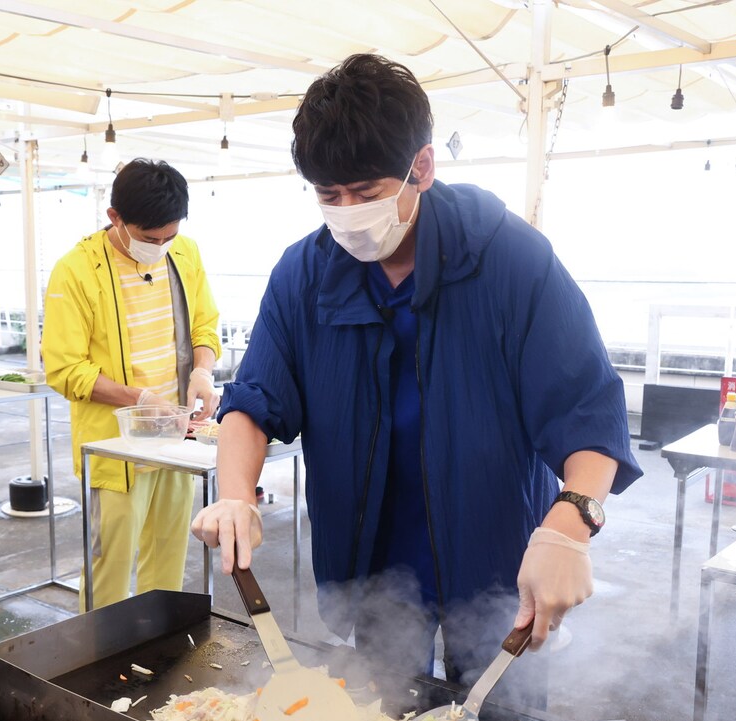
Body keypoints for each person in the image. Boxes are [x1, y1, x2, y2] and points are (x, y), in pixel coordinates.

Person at [191, 54, 641, 685]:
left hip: (496, 553)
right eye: (329, 196)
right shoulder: (304, 274)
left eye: (367, 193)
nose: (348, 213)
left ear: (422, 168)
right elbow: (253, 399)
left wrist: (571, 524)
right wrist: (235, 496)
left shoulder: (512, 261)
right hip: (371, 558)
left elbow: (589, 413)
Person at [43, 158, 221, 610]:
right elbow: (65, 369)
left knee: (168, 565)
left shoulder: (187, 253)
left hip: (176, 439)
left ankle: (157, 655)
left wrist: (202, 369)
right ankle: (96, 666)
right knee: (109, 570)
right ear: (115, 218)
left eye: (169, 237)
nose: (160, 246)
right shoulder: (76, 270)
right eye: (148, 238)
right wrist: (139, 399)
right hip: (114, 449)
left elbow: (205, 325)